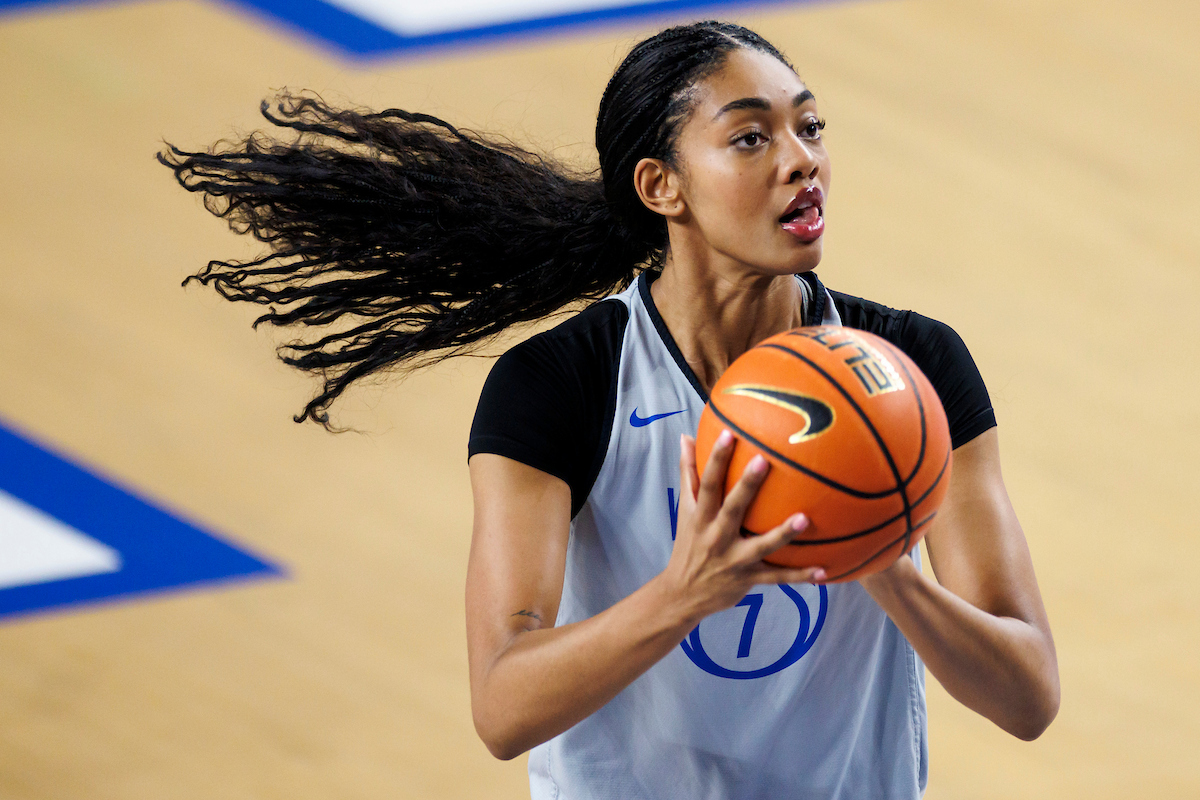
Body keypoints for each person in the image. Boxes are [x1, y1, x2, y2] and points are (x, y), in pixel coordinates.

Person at [161, 20, 1059, 799]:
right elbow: (502, 705)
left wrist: (889, 571)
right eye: (751, 138)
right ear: (662, 186)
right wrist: (682, 595)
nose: (802, 160)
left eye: (810, 126)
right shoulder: (563, 385)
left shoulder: (908, 368)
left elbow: (1028, 694)